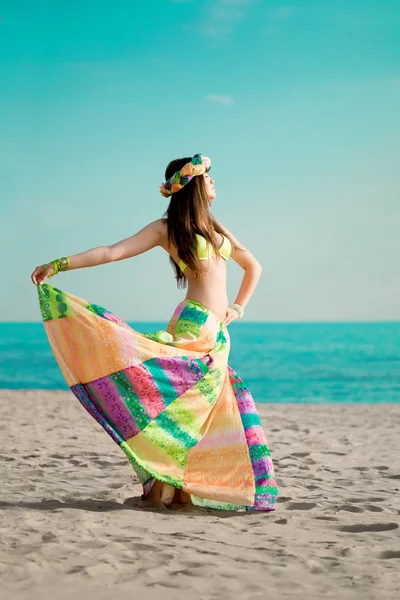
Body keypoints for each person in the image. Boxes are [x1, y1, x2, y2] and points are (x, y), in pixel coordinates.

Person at [31, 153, 278, 512]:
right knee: (179, 406)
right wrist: (58, 264)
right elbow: (113, 252)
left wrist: (238, 307)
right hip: (193, 324)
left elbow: (252, 265)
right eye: (208, 176)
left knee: (194, 409)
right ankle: (166, 486)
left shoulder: (216, 226)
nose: (213, 181)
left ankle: (175, 489)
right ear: (192, 184)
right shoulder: (165, 229)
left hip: (218, 333)